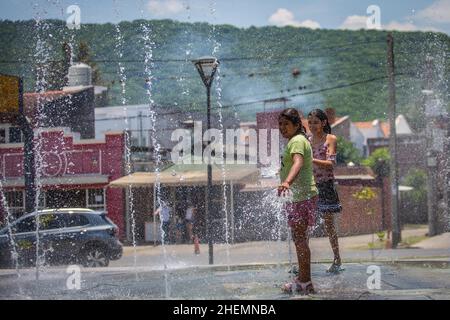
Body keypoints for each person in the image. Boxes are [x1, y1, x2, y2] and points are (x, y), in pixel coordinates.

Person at [278, 108, 319, 295]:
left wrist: (287, 181)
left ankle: (305, 281)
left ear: (296, 125)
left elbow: (298, 162)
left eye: (286, 124)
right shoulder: (299, 140)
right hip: (301, 197)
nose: (282, 128)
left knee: (300, 239)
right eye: (280, 124)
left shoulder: (296, 141)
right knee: (300, 239)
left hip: (301, 197)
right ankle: (303, 279)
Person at [307, 108, 343, 273]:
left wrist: (310, 159)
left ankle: (337, 259)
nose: (313, 126)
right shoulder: (306, 140)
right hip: (310, 186)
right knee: (304, 224)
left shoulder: (330, 139)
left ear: (323, 123)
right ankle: (303, 263)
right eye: (310, 123)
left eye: (316, 122)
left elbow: (331, 163)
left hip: (326, 185)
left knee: (328, 225)